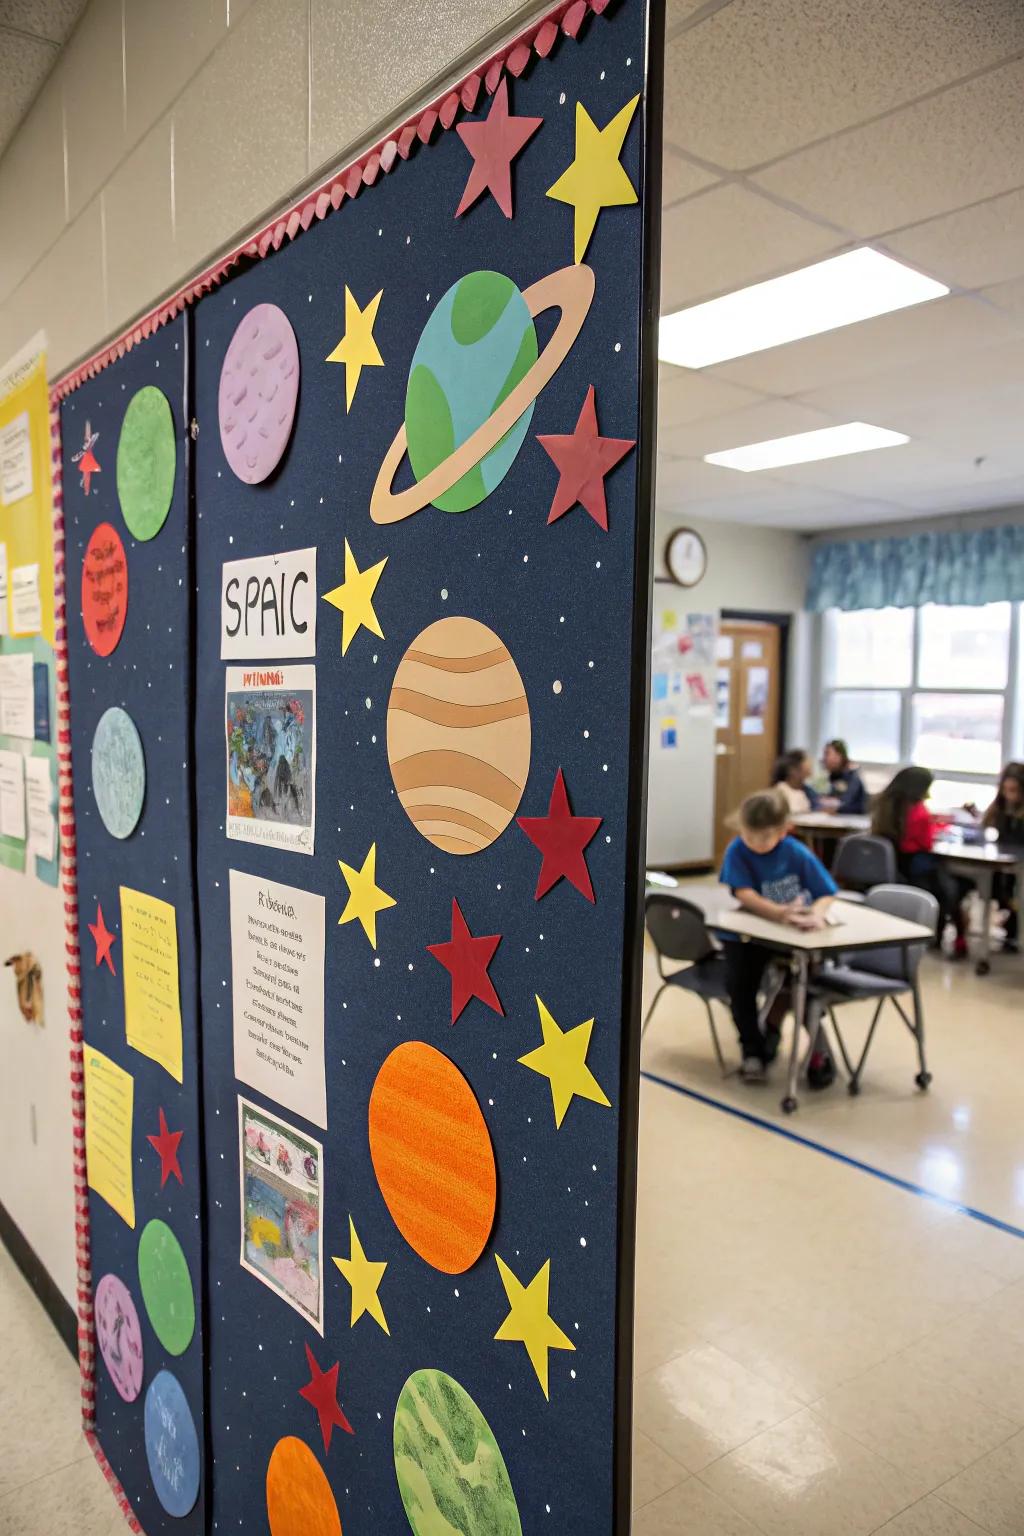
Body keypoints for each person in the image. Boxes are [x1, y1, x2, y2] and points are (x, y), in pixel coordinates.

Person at [720, 789, 837, 1086]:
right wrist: (778, 912)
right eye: (751, 837)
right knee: (740, 988)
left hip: (792, 939)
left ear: (785, 830)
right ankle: (753, 1050)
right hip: (748, 937)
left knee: (804, 984)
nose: (757, 845)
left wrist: (817, 915)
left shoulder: (796, 853)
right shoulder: (737, 851)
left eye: (765, 838)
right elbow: (743, 893)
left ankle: (814, 1050)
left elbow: (826, 893)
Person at [871, 766, 970, 957]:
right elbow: (926, 843)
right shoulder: (919, 811)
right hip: (918, 872)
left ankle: (939, 934)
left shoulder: (883, 806)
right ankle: (957, 938)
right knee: (955, 887)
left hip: (896, 869)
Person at [983, 763, 1024, 953]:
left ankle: (1014, 928)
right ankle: (1011, 923)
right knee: (995, 883)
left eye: (1014, 790)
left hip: (1019, 865)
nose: (1010, 795)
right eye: (1006, 790)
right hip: (1002, 865)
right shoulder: (999, 807)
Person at [819, 739, 868, 814]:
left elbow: (846, 803)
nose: (824, 759)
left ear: (839, 756)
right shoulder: (835, 775)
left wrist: (835, 807)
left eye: (827, 754)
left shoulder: (854, 776)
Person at [772, 749, 820, 815]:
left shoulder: (808, 790)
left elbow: (817, 806)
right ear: (792, 769)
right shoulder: (780, 790)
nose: (810, 764)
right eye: (806, 761)